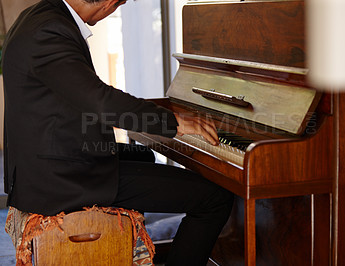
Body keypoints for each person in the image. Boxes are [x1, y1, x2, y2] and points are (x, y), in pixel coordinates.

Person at [1, 0, 233, 265]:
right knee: (214, 198)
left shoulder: (42, 14)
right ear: (109, 3)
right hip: (62, 179)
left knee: (143, 155)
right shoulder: (51, 30)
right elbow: (101, 101)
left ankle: (129, 248)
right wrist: (176, 123)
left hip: (54, 159)